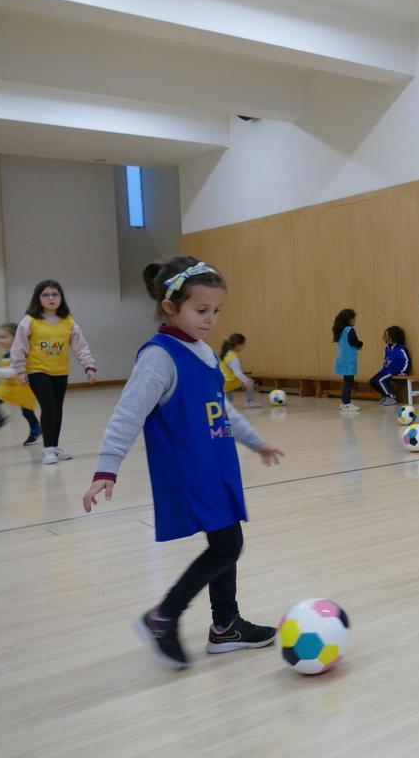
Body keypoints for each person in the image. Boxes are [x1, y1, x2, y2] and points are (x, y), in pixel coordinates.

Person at [82, 256, 285, 669]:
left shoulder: (205, 352)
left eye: (216, 311)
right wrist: (107, 467)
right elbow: (128, 412)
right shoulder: (159, 357)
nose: (210, 319)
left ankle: (226, 627)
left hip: (218, 465)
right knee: (228, 545)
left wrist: (255, 442)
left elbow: (222, 409)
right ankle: (164, 617)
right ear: (170, 307)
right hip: (192, 471)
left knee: (224, 544)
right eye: (201, 310)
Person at [10, 279, 97, 464]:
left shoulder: (69, 322)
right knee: (48, 407)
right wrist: (20, 370)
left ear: (61, 298)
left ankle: (55, 447)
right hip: (37, 370)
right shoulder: (30, 321)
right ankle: (47, 449)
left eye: (55, 294)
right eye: (46, 294)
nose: (51, 298)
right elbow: (19, 347)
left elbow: (80, 347)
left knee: (57, 410)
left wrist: (88, 366)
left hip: (60, 372)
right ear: (38, 298)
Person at [0, 322, 41, 444]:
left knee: (27, 412)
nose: (0, 340)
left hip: (22, 387)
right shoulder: (4, 351)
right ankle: (0, 419)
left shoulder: (20, 352)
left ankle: (36, 429)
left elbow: (12, 372)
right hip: (6, 387)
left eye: (4, 337)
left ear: (15, 337)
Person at [369, 326, 411, 406]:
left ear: (395, 336)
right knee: (372, 381)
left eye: (388, 336)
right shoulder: (387, 348)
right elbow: (386, 359)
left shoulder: (401, 349)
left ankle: (391, 397)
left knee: (380, 380)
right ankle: (385, 395)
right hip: (386, 370)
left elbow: (407, 361)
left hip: (394, 370)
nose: (386, 338)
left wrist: (405, 371)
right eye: (386, 336)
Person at [218, 333, 261, 409]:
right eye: (244, 344)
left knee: (229, 400)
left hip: (223, 382)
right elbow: (237, 372)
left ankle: (223, 407)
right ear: (238, 345)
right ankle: (249, 402)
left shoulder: (225, 354)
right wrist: (245, 380)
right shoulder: (233, 357)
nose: (244, 346)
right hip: (231, 381)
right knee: (250, 381)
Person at [331, 309, 362, 412]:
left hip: (341, 359)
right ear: (350, 320)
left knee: (347, 381)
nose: (355, 320)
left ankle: (344, 403)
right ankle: (346, 403)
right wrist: (361, 344)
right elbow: (355, 342)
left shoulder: (340, 330)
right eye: (354, 318)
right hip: (348, 360)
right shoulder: (350, 330)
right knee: (349, 382)